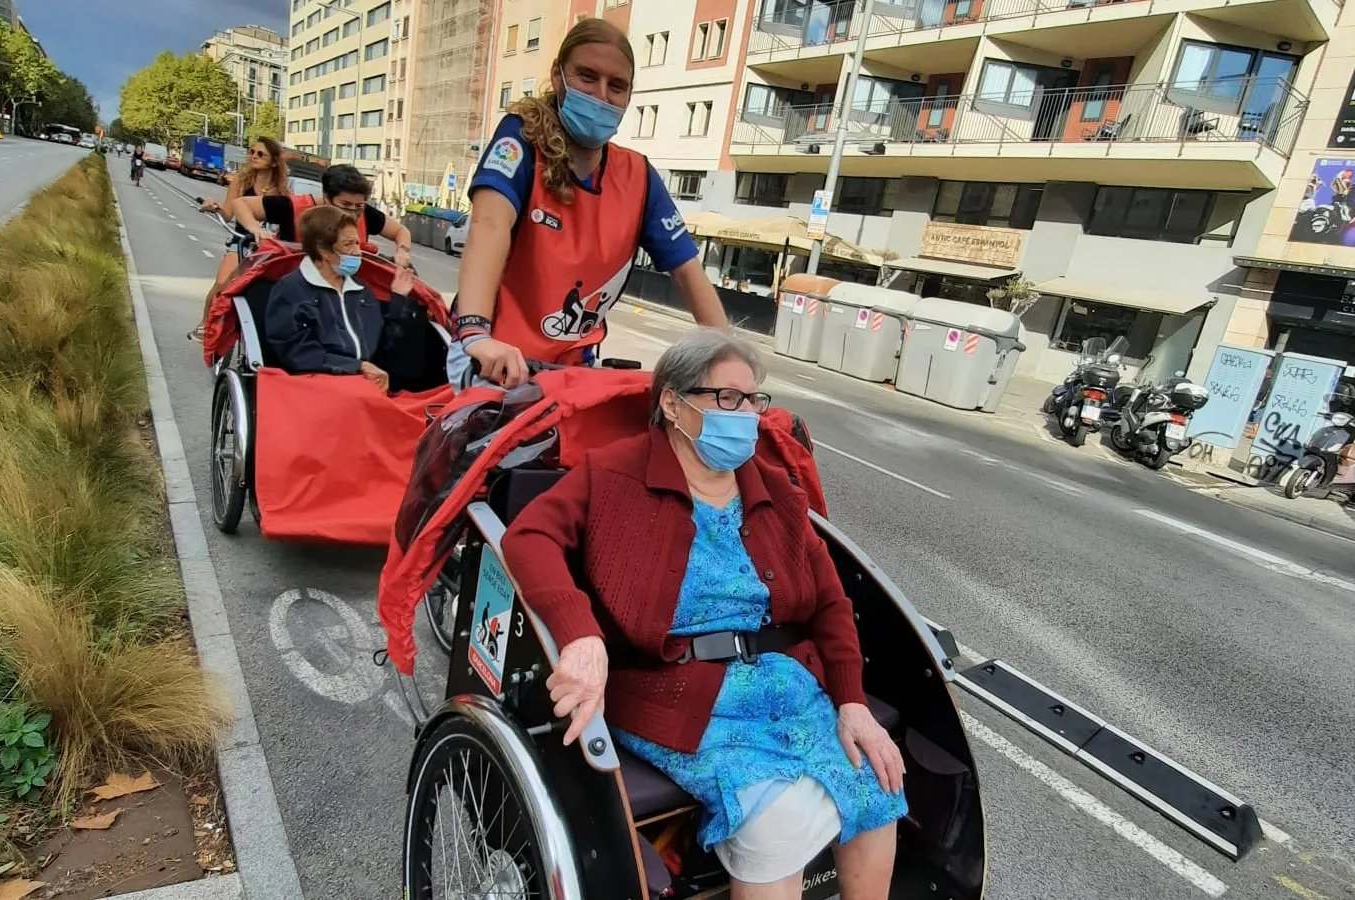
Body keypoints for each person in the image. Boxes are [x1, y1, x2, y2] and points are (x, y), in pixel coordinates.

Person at [501, 329, 905, 899]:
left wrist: (853, 704)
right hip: (679, 692)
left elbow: (832, 602)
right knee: (776, 820)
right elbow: (529, 536)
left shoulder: (775, 490)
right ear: (672, 402)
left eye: (753, 399)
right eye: (727, 398)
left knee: (877, 785)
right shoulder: (613, 474)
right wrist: (580, 634)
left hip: (787, 682)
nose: (746, 415)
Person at [447, 18, 728, 390]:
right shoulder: (520, 137)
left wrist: (728, 362)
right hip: (495, 358)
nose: (601, 95)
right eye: (586, 76)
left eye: (616, 86)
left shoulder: (638, 176)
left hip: (572, 368)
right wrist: (475, 332)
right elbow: (489, 225)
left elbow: (688, 272)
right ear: (558, 76)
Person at [263, 205, 412, 390]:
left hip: (363, 382)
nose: (358, 251)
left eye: (357, 243)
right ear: (323, 250)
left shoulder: (360, 291)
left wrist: (398, 298)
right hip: (313, 384)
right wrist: (357, 367)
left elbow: (384, 345)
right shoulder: (290, 290)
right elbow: (296, 352)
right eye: (348, 244)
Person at [189, 137, 292, 342]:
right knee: (221, 284)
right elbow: (228, 213)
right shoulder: (240, 181)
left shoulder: (284, 192)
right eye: (252, 152)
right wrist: (214, 207)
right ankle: (204, 324)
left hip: (268, 248)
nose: (254, 156)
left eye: (260, 153)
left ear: (273, 161)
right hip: (240, 241)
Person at [232, 164, 414, 274]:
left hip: (345, 285)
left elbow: (400, 231)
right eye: (345, 205)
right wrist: (255, 228)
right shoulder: (293, 207)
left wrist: (403, 251)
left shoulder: (365, 213)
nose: (352, 213)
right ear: (327, 198)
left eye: (358, 206)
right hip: (293, 280)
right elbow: (241, 204)